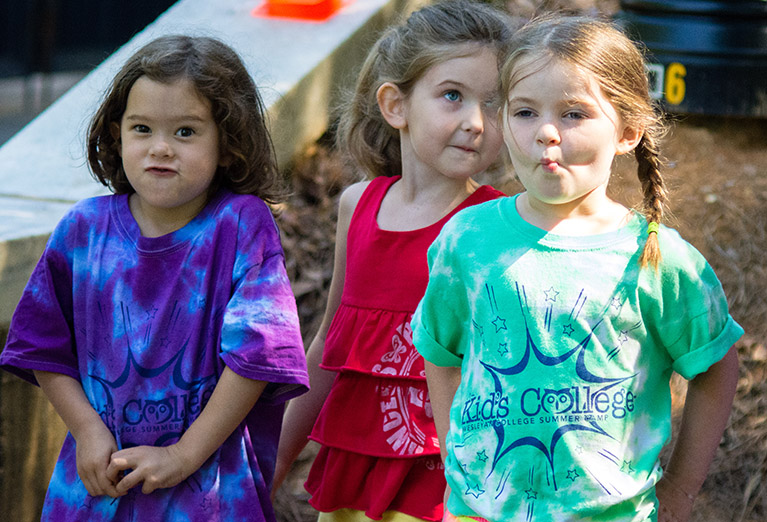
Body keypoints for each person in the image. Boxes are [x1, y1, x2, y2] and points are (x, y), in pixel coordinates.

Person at [412, 14, 743, 522]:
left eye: (573, 114)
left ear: (629, 130)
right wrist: (454, 457)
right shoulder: (466, 241)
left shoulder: (659, 259)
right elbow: (440, 351)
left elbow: (717, 367)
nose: (546, 132)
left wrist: (679, 489)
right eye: (525, 112)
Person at [0, 35, 309, 521]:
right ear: (116, 134)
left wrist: (184, 454)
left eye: (186, 131)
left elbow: (257, 356)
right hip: (99, 486)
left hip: (208, 489)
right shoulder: (82, 229)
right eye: (142, 128)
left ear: (227, 144)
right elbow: (42, 345)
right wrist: (87, 431)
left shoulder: (239, 225)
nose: (160, 148)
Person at [272, 2, 512, 520]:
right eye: (453, 96)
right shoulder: (357, 206)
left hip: (445, 486)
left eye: (494, 104)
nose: (476, 122)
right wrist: (274, 462)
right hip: (353, 475)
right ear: (395, 105)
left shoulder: (496, 223)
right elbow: (330, 343)